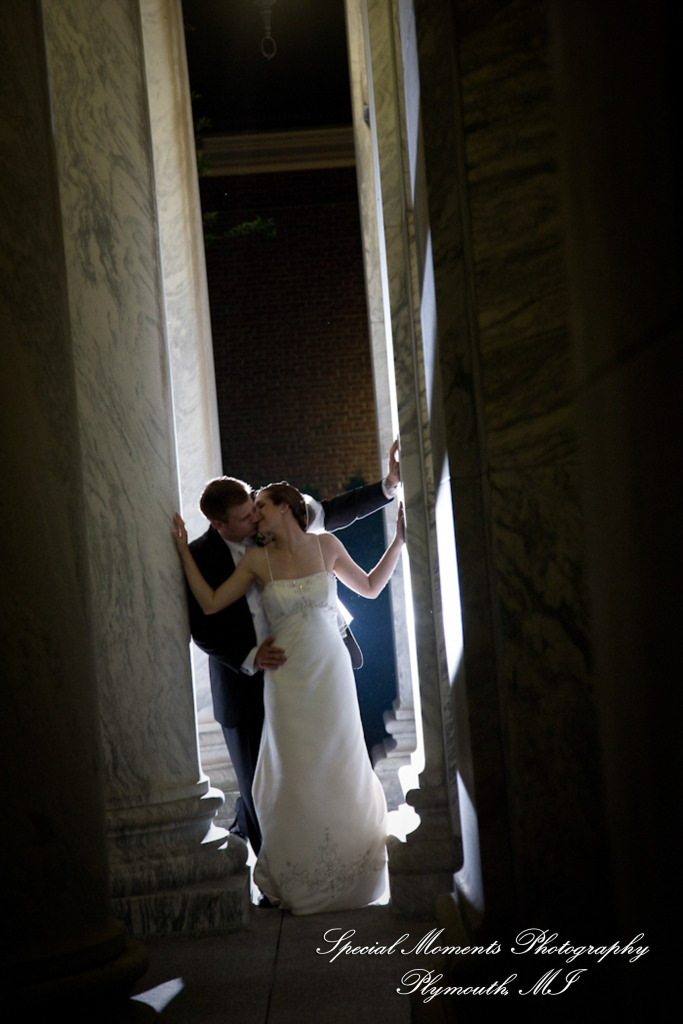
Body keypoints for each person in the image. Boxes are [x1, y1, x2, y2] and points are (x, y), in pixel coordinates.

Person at [172, 483, 406, 914]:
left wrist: (398, 541)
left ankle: (356, 870)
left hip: (332, 673)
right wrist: (184, 551)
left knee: (341, 763)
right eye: (250, 510)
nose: (255, 515)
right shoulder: (258, 559)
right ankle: (300, 871)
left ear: (285, 508)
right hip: (286, 677)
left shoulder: (326, 544)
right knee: (293, 771)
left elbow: (371, 587)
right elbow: (207, 606)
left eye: (260, 506)